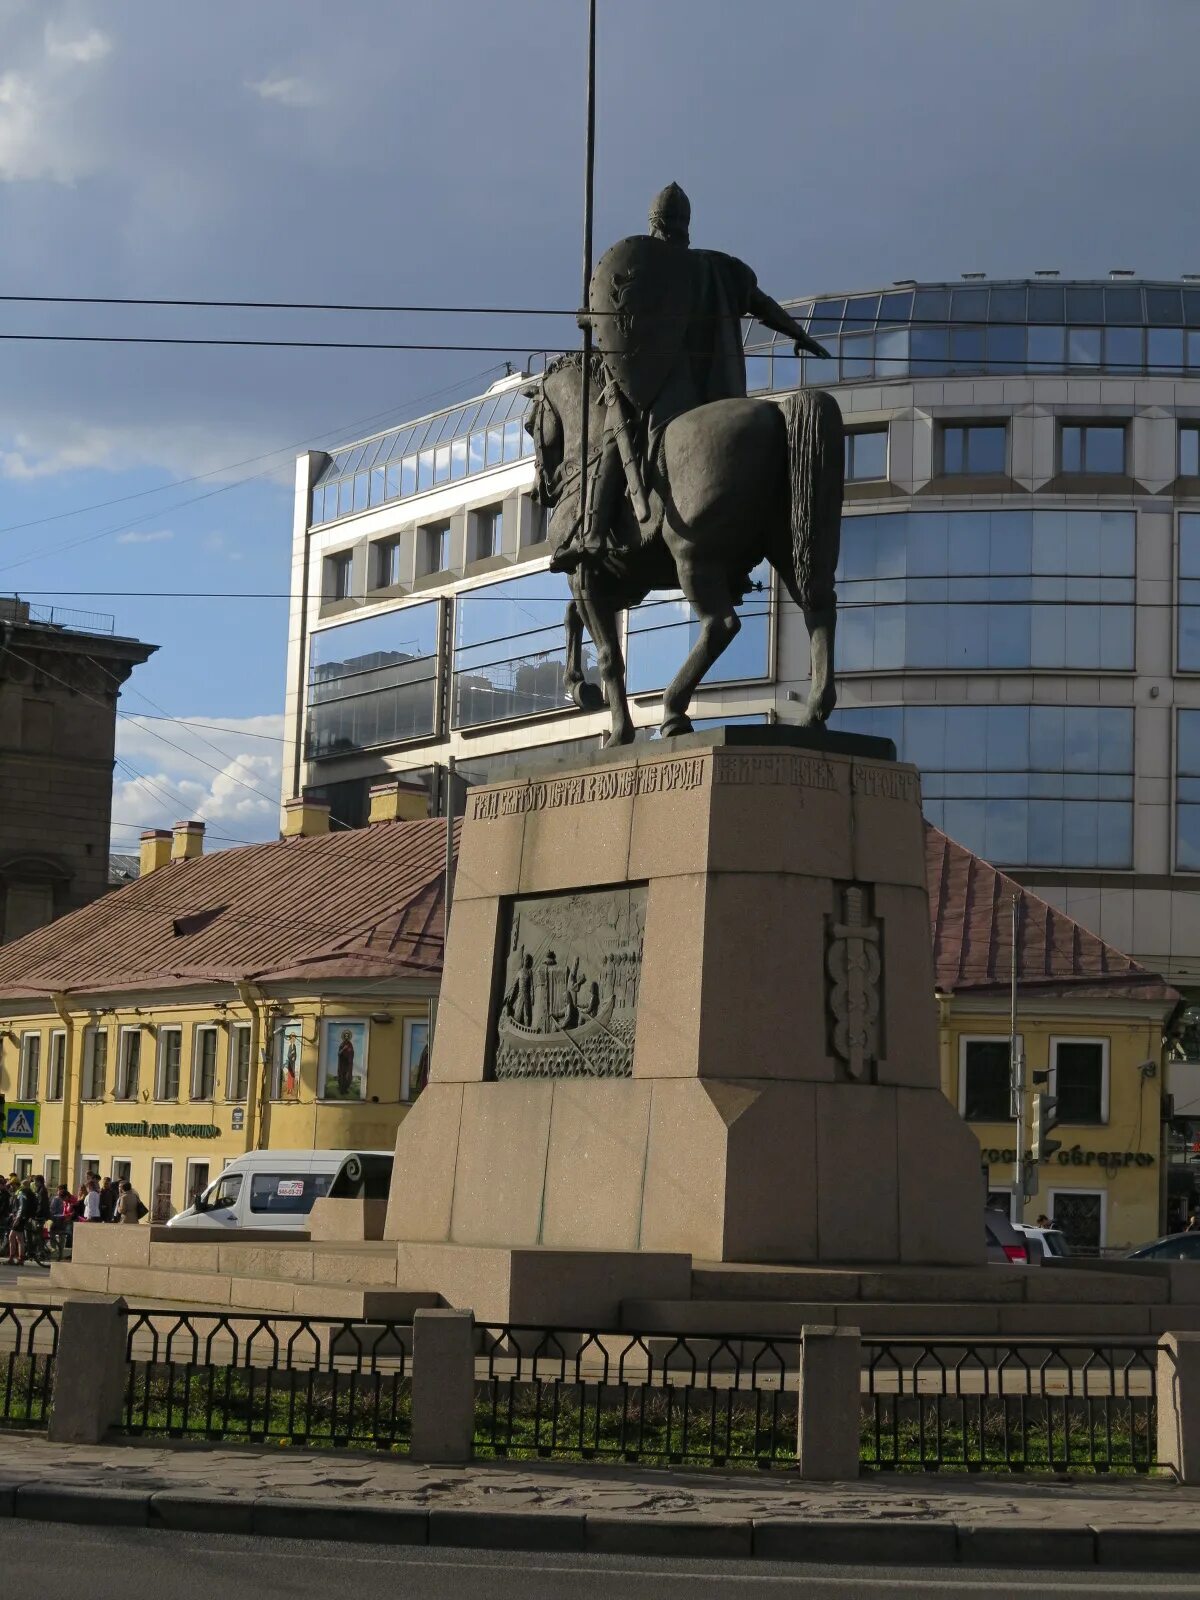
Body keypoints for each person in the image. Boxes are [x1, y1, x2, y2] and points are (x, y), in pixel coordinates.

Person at [555, 182, 832, 575]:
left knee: (614, 433)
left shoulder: (649, 269)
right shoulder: (721, 267)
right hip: (719, 391)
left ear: (654, 224)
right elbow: (763, 305)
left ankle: (595, 533)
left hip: (672, 389)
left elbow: (627, 318)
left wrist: (591, 318)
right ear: (686, 225)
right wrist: (799, 335)